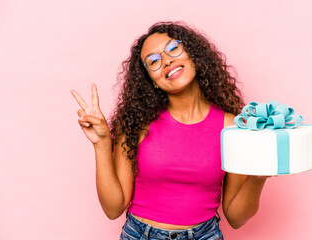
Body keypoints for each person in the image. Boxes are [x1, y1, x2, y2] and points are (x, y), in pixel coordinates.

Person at [71, 21, 269, 240]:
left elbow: (236, 218)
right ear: (152, 81)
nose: (166, 61)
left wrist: (258, 176)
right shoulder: (137, 123)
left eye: (173, 48)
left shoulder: (231, 127)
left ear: (193, 54)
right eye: (153, 61)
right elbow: (113, 209)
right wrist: (101, 144)